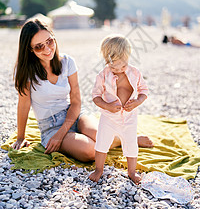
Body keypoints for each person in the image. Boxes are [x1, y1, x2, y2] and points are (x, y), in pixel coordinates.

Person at [12, 20, 153, 162]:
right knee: (91, 151)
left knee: (102, 137)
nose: (47, 49)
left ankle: (127, 139)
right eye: (39, 47)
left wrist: (62, 133)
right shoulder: (26, 71)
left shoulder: (68, 62)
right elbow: (23, 104)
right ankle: (124, 140)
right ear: (29, 49)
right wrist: (20, 137)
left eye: (49, 41)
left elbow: (76, 102)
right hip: (51, 126)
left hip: (75, 114)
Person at [89, 35, 148, 184]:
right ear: (106, 61)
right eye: (113, 67)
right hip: (108, 118)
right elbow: (96, 96)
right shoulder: (102, 75)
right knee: (101, 143)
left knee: (131, 145)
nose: (118, 70)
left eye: (122, 66)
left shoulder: (135, 73)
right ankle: (99, 169)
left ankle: (131, 172)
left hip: (129, 117)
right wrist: (107, 106)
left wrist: (137, 102)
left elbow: (144, 91)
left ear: (128, 57)